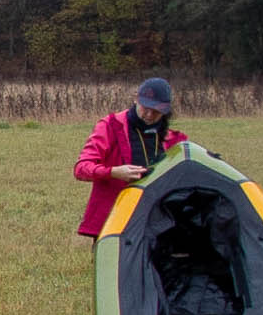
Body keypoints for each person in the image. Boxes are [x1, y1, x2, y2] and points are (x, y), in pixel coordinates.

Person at [74, 77, 187, 237]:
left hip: (157, 221)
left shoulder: (176, 140)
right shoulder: (110, 126)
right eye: (145, 107)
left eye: (156, 111)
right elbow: (81, 169)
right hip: (114, 221)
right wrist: (113, 172)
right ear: (136, 99)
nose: (149, 114)